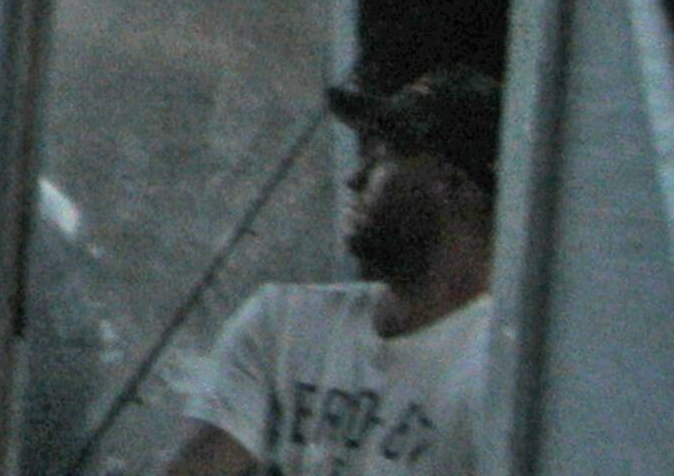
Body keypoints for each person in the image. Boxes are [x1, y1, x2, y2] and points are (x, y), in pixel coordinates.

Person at [161, 68, 501, 476]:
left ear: (452, 186)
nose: (354, 178)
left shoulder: (499, 369)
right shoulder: (282, 322)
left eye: (383, 158)